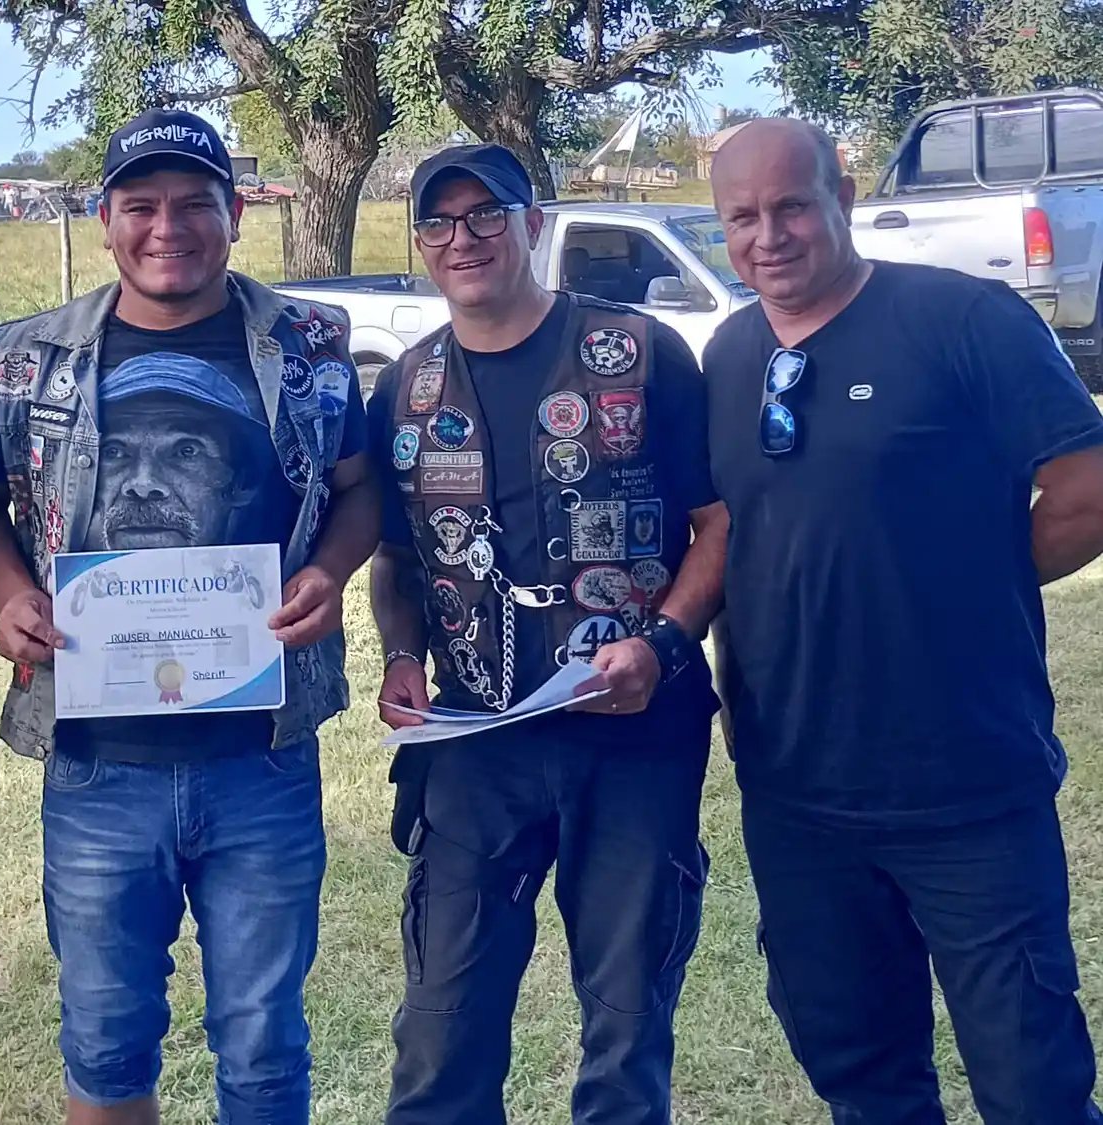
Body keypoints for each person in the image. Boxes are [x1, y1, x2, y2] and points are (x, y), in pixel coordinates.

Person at [0, 108, 379, 1125]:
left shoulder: (307, 345)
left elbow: (359, 490)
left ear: (237, 215)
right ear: (105, 219)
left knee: (264, 1044)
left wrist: (329, 572)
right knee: (105, 1041)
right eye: (140, 205)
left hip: (262, 756)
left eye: (194, 204)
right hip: (99, 764)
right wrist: (9, 592)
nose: (166, 227)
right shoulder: (29, 357)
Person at [705, 117, 1103, 1124]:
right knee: (863, 1077)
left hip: (965, 786)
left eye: (791, 206)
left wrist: (970, 579)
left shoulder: (963, 320)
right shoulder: (730, 353)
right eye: (742, 217)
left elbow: (1087, 487)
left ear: (841, 197)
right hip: (796, 792)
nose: (769, 235)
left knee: (1033, 1083)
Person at [366, 143, 729, 1125]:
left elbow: (718, 525)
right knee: (441, 1030)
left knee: (625, 1021)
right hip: (476, 738)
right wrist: (401, 654)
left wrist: (662, 644)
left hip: (634, 735)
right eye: (439, 221)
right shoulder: (406, 388)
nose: (464, 238)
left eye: (487, 214)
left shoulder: (641, 353)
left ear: (533, 224)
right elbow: (396, 558)